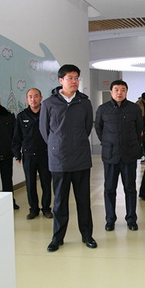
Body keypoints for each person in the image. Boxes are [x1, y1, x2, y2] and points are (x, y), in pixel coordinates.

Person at [40, 64, 95, 252]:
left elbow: (87, 128)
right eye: (70, 78)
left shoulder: (84, 103)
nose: (74, 81)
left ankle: (87, 236)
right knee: (59, 203)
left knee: (83, 201)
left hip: (81, 158)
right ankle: (57, 238)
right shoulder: (49, 103)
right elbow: (45, 132)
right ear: (61, 80)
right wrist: (58, 145)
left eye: (76, 78)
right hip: (59, 160)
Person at [95, 80, 143, 231]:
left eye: (123, 89)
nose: (119, 92)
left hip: (129, 155)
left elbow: (139, 129)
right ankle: (110, 220)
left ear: (126, 91)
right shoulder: (103, 109)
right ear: (111, 91)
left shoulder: (134, 108)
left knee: (130, 188)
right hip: (110, 155)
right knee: (109, 189)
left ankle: (131, 219)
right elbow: (98, 128)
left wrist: (133, 144)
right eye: (116, 89)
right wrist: (108, 142)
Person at [12, 88, 53, 220]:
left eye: (36, 96)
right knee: (30, 184)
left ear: (41, 98)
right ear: (27, 99)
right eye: (30, 97)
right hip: (28, 155)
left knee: (46, 183)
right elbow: (17, 136)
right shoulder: (22, 116)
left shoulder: (47, 114)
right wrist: (17, 154)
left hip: (45, 155)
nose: (33, 99)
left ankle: (46, 208)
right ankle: (33, 209)